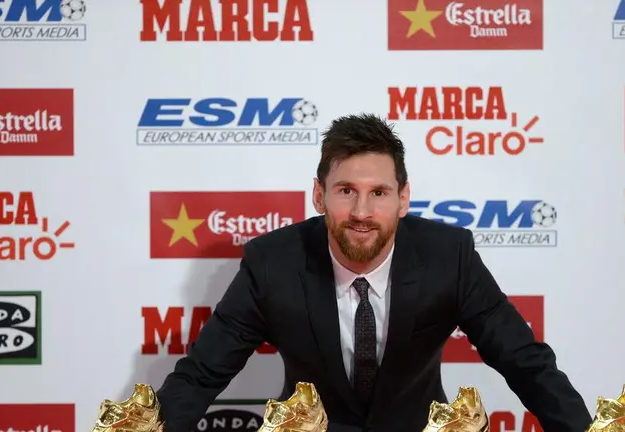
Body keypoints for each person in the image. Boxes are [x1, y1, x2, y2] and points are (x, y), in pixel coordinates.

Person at [154, 114, 593, 432]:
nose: (362, 212)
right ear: (319, 196)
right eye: (346, 190)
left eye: (379, 193)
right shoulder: (272, 263)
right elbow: (201, 375)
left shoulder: (449, 256)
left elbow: (526, 363)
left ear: (404, 199)